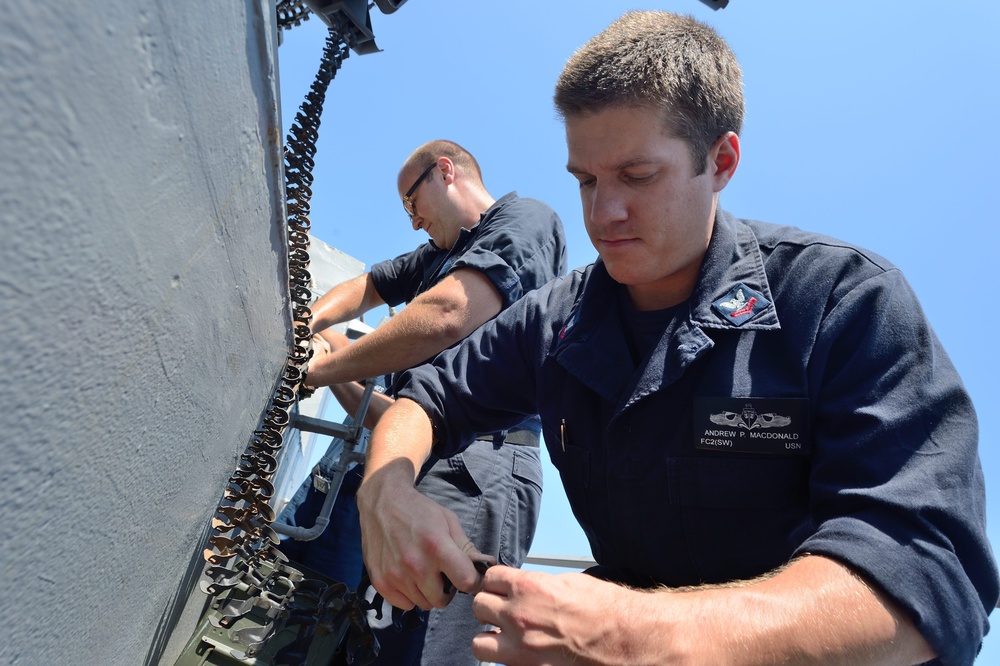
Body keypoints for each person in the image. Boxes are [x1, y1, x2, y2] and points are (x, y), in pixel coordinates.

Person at [353, 11, 999, 666]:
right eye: (586, 180)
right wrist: (386, 487)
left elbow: (923, 582)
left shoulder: (840, 300)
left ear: (720, 161)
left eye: (637, 176)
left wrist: (641, 632)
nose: (603, 214)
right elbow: (427, 399)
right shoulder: (556, 321)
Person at [290, 138, 568, 665]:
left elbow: (446, 314)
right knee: (377, 640)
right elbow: (368, 287)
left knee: (425, 650)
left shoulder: (525, 219)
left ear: (445, 172)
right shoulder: (434, 256)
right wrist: (311, 329)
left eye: (411, 205)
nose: (413, 223)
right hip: (429, 460)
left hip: (482, 462)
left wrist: (322, 367)